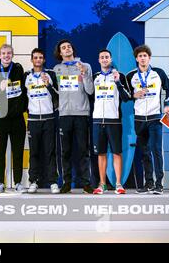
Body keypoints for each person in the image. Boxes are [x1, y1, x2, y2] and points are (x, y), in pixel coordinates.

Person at [126, 45, 169, 195]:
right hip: (139, 118)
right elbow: (126, 94)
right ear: (136, 59)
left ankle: (159, 184)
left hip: (154, 117)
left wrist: (166, 105)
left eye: (145, 56)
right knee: (145, 152)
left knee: (156, 150)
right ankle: (148, 184)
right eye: (140, 56)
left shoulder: (158, 73)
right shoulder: (131, 76)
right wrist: (134, 95)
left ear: (149, 58)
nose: (142, 58)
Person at [53, 39, 94, 194]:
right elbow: (57, 92)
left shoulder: (85, 66)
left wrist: (84, 74)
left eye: (69, 46)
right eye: (63, 47)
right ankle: (67, 183)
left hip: (81, 113)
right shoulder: (56, 69)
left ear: (72, 49)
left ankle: (86, 183)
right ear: (60, 52)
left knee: (83, 150)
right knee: (65, 151)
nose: (67, 48)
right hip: (64, 115)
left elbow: (90, 91)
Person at [0, 44, 26, 193]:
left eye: (9, 53)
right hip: (0, 117)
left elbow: (22, 90)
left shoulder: (18, 68)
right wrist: (0, 89)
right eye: (3, 53)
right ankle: (0, 182)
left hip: (17, 117)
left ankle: (18, 182)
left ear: (12, 54)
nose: (6, 56)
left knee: (18, 152)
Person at [91, 49, 131, 195]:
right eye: (102, 57)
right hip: (97, 120)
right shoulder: (95, 77)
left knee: (116, 152)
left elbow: (127, 97)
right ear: (98, 60)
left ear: (111, 59)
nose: (104, 59)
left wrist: (118, 82)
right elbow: (90, 95)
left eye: (107, 57)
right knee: (100, 153)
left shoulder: (119, 75)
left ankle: (118, 184)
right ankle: (102, 184)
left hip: (113, 120)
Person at [24, 48, 60, 194]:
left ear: (44, 60)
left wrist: (48, 85)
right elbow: (22, 97)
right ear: (32, 60)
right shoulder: (26, 76)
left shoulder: (50, 74)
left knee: (50, 151)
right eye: (35, 57)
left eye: (40, 57)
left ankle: (53, 182)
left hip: (49, 118)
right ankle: (33, 181)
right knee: (34, 152)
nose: (38, 60)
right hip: (33, 119)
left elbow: (58, 95)